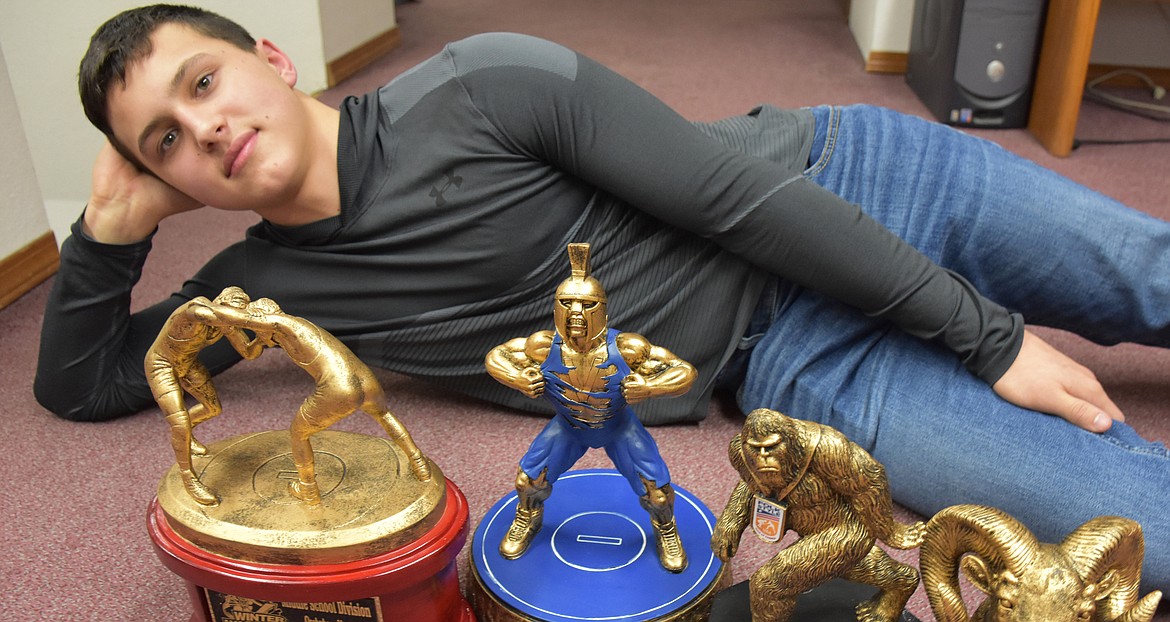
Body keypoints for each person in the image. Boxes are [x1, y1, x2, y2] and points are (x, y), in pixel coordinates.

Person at [33, 4, 1168, 590]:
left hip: (849, 181)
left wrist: (988, 340)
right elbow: (86, 381)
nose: (208, 128)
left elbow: (737, 203)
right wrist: (102, 236)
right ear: (171, 183)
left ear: (271, 59)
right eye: (165, 141)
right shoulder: (265, 288)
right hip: (788, 363)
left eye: (203, 83)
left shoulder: (487, 79)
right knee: (1143, 538)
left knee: (1149, 280)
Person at [485, 243, 697, 572]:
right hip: (569, 428)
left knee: (657, 495)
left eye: (587, 305)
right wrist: (518, 378)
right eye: (567, 304)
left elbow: (684, 372)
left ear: (604, 311)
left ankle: (666, 529)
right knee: (528, 483)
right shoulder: (542, 346)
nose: (576, 314)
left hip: (618, 429)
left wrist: (650, 387)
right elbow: (496, 356)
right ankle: (528, 518)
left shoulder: (628, 349)